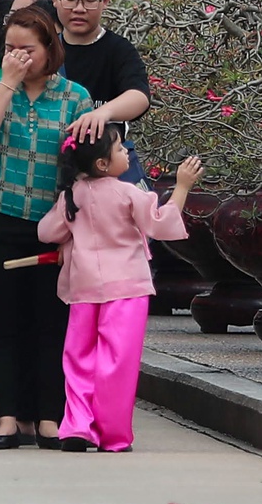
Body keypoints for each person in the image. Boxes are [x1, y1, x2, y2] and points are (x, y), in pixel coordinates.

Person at [0, 6, 91, 448]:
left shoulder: (75, 95)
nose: (17, 56)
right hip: (3, 215)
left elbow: (85, 163)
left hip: (56, 225)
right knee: (4, 321)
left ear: (49, 47)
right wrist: (8, 83)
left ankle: (50, 418)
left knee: (51, 320)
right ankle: (7, 418)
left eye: (27, 49)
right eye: (9, 48)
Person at [40, 139, 199, 453]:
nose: (127, 152)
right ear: (102, 163)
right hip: (127, 288)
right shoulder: (127, 192)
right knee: (117, 362)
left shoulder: (72, 194)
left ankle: (77, 426)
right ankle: (111, 434)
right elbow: (159, 224)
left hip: (84, 288)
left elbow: (47, 232)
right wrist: (181, 187)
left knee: (78, 358)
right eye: (119, 149)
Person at [53, 0, 153, 151]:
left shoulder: (118, 49)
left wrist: (103, 113)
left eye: (90, 0)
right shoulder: (45, 49)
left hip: (103, 169)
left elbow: (139, 96)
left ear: (105, 1)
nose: (79, 9)